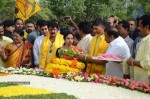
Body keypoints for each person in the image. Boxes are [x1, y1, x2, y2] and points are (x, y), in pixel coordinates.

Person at [126, 15, 150, 83]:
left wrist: (133, 62)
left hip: (146, 83)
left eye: (139, 26)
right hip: (139, 81)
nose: (138, 28)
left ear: (147, 27)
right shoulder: (143, 41)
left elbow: (148, 64)